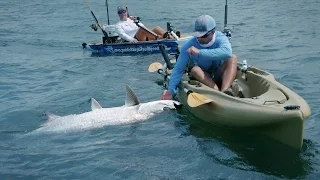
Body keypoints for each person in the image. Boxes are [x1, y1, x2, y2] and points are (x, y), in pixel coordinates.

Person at [161, 15, 238, 100]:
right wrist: (171, 91)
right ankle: (218, 92)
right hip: (203, 76)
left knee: (232, 58)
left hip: (219, 73)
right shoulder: (189, 45)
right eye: (197, 35)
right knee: (195, 70)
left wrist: (199, 52)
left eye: (203, 35)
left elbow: (227, 53)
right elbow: (179, 69)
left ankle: (225, 92)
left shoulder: (220, 38)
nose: (200, 38)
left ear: (212, 32)